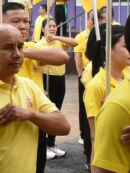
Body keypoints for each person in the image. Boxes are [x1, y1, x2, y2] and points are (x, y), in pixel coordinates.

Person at [0, 24, 70, 173]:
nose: (17, 54)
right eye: (8, 47)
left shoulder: (30, 87)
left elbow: (64, 127)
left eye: (20, 47)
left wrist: (30, 114)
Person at [84, 25, 128, 168]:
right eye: (125, 46)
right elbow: (95, 136)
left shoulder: (127, 77)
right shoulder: (96, 86)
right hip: (110, 159)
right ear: (110, 50)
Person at [38, 18, 78, 158]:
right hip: (47, 80)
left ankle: (51, 143)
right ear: (43, 29)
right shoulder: (40, 44)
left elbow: (75, 42)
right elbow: (39, 67)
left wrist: (56, 37)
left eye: (55, 26)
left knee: (57, 111)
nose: (53, 28)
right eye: (49, 26)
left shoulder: (59, 42)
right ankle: (43, 146)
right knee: (46, 113)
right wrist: (42, 87)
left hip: (60, 79)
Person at [74, 11, 94, 169]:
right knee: (87, 114)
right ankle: (89, 154)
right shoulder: (82, 36)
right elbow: (77, 55)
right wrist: (81, 75)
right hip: (87, 76)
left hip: (99, 75)